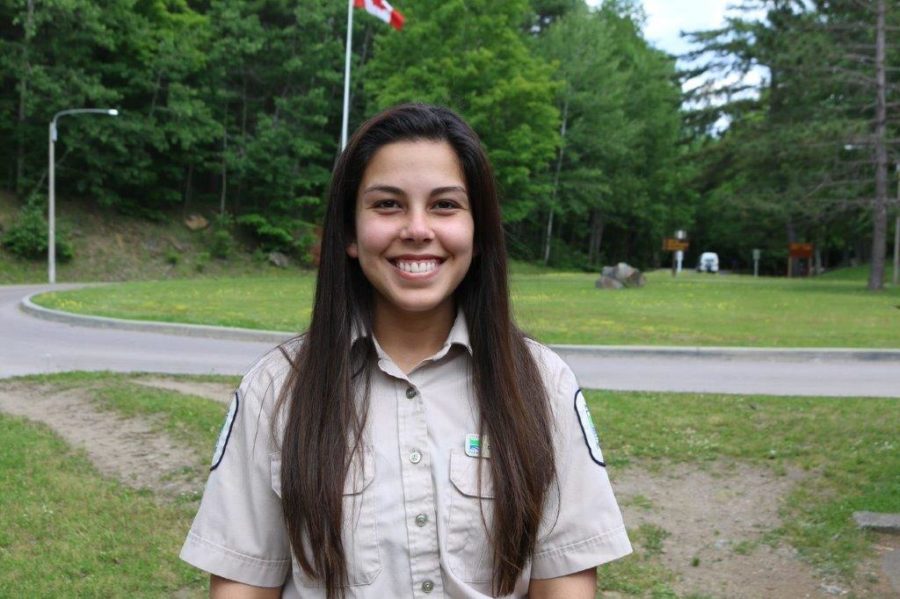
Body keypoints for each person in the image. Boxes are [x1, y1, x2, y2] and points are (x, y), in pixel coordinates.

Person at [180, 103, 632, 599]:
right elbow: (242, 586)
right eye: (388, 204)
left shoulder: (544, 385)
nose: (417, 229)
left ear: (478, 232)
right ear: (350, 233)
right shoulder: (275, 388)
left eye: (444, 205)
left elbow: (565, 584)